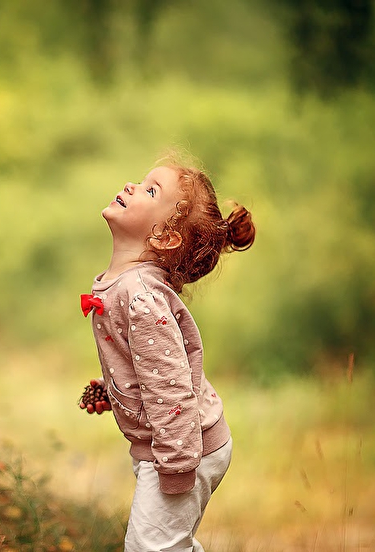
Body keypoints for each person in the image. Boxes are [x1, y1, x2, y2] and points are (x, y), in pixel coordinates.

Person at [79, 155, 255, 551]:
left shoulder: (141, 298)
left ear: (165, 238)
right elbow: (149, 365)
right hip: (173, 441)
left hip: (184, 447)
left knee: (151, 547)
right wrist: (113, 389)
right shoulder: (125, 285)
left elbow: (171, 386)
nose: (131, 186)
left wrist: (176, 469)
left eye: (150, 190)